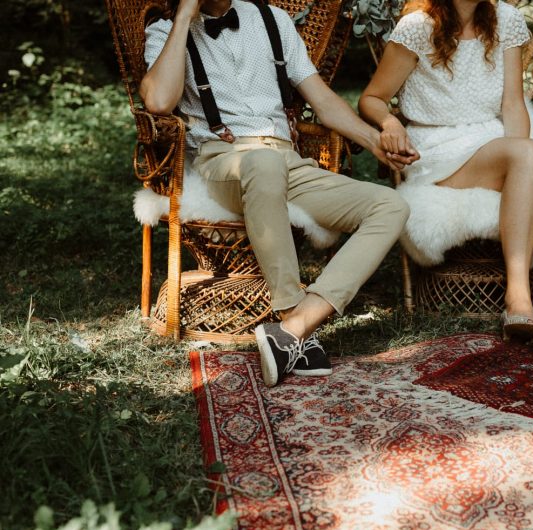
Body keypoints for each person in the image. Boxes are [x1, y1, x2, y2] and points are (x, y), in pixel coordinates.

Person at [141, 0, 417, 386]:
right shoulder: (166, 32)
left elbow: (322, 100)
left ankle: (295, 327)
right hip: (225, 161)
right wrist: (186, 16)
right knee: (262, 163)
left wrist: (376, 142)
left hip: (288, 161)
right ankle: (291, 308)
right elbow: (157, 101)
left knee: (390, 205)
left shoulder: (273, 20)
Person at [359, 0, 533, 358]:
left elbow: (512, 103)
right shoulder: (417, 27)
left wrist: (527, 155)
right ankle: (518, 296)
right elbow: (372, 98)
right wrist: (390, 123)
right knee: (526, 155)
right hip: (439, 149)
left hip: (490, 140)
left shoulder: (505, 19)